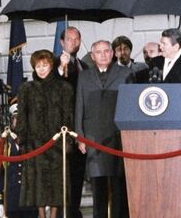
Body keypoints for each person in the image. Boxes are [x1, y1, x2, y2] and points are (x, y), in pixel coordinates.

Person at [74, 40, 132, 218]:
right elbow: (79, 106)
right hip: (93, 137)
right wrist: (80, 137)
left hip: (118, 137)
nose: (103, 54)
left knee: (119, 185)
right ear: (92, 56)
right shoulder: (84, 76)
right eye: (98, 52)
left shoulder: (126, 74)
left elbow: (131, 107)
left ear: (112, 53)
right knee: (98, 187)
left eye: (107, 51)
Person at [16, 49, 74, 218]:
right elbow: (22, 117)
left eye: (45, 65)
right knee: (38, 184)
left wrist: (67, 140)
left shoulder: (64, 87)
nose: (41, 69)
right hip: (35, 144)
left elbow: (68, 116)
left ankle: (54, 215)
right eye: (38, 66)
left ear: (51, 65)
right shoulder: (26, 88)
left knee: (57, 183)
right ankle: (41, 215)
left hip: (57, 143)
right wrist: (23, 141)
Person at [56, 26, 87, 218]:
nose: (73, 42)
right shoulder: (52, 63)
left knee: (77, 174)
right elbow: (46, 82)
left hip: (80, 130)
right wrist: (61, 68)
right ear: (61, 42)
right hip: (60, 130)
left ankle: (74, 210)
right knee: (62, 176)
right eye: (69, 39)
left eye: (76, 39)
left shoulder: (84, 65)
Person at [140, 28, 181, 108]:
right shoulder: (155, 62)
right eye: (161, 43)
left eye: (164, 44)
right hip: (157, 113)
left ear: (176, 47)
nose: (160, 47)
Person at [0, 105, 36, 218]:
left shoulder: (34, 143)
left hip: (31, 200)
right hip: (11, 199)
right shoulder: (4, 143)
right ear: (12, 121)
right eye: (16, 118)